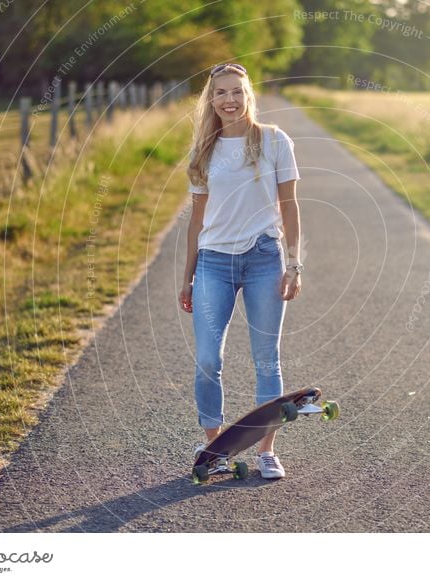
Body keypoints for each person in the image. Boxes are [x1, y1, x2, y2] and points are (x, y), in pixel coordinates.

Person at [179, 63, 303, 479]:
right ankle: (215, 448)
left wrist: (294, 263)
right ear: (211, 100)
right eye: (220, 93)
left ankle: (266, 450)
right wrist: (187, 276)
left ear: (249, 95)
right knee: (207, 359)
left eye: (237, 92)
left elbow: (289, 206)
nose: (229, 100)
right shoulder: (203, 149)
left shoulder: (273, 141)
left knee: (267, 359)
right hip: (213, 262)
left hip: (264, 258)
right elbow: (197, 221)